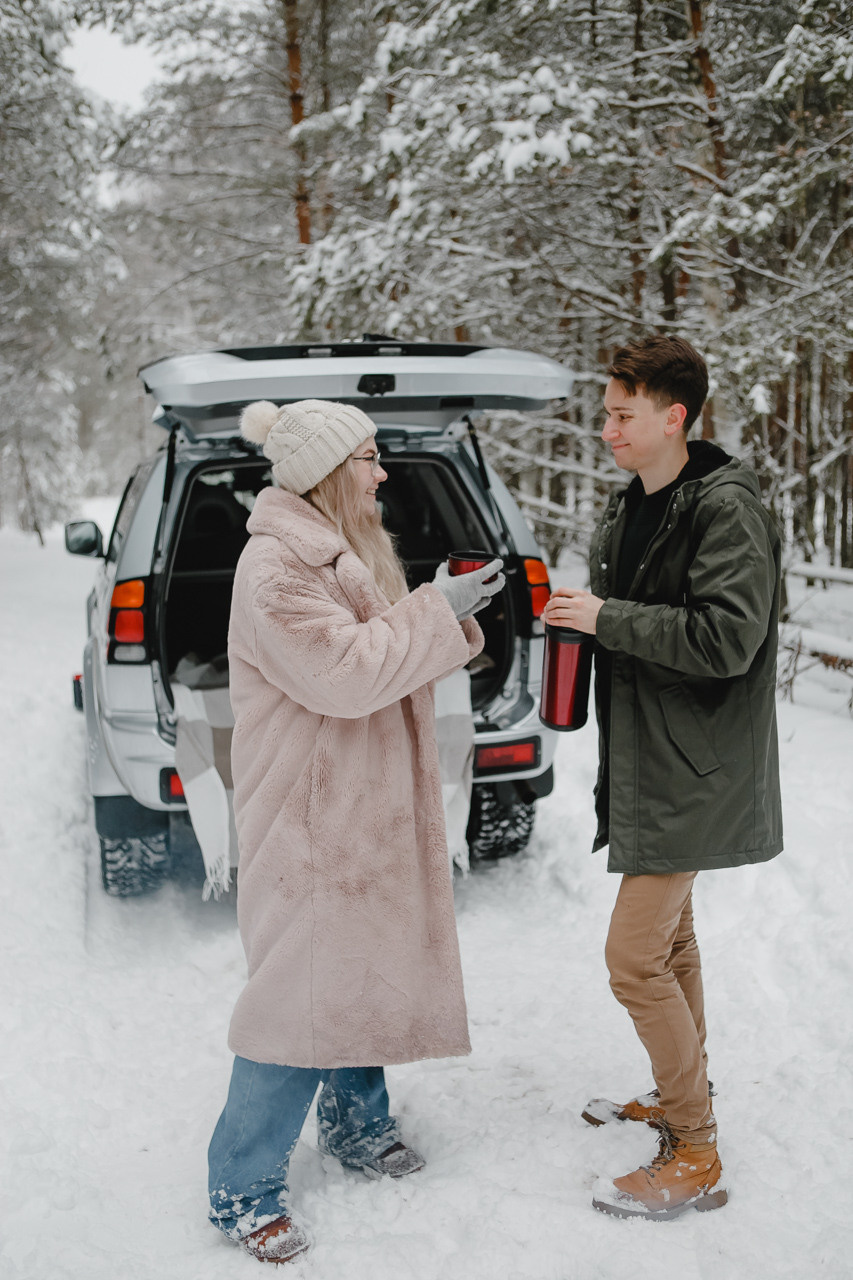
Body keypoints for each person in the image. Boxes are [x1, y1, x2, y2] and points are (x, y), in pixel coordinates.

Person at [207, 397, 504, 1263]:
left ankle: (356, 1125)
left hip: (352, 805)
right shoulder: (276, 570)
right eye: (368, 459)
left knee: (357, 967)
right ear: (329, 473)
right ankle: (243, 1185)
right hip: (307, 817)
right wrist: (435, 610)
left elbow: (377, 642)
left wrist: (440, 608)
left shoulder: (334, 551)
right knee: (296, 997)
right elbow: (343, 674)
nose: (381, 474)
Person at [542, 335, 783, 1221]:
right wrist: (588, 619)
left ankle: (696, 1148)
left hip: (696, 765)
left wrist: (608, 616)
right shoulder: (633, 503)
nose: (605, 428)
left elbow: (727, 639)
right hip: (651, 757)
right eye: (605, 412)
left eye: (620, 414)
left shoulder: (722, 510)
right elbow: (643, 620)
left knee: (632, 958)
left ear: (673, 416)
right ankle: (681, 1094)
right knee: (671, 946)